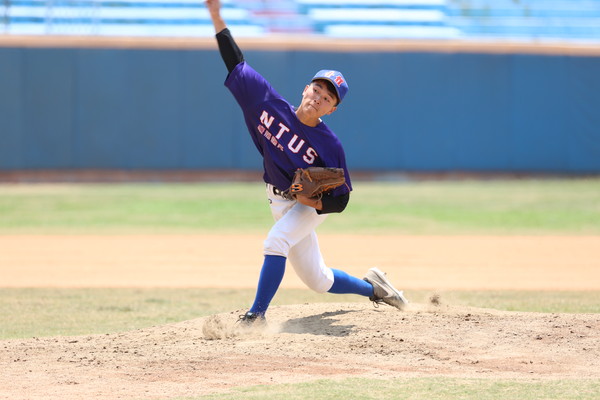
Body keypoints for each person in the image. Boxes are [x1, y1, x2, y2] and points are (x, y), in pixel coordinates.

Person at [205, 0, 409, 324]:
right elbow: (236, 64)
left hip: (305, 206)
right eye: (316, 90)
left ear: (332, 110)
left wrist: (311, 201)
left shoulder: (330, 146)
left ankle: (256, 316)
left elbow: (341, 200)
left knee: (276, 241)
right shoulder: (267, 104)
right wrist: (216, 16)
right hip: (277, 198)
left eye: (327, 98)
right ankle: (375, 289)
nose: (318, 98)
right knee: (318, 280)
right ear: (305, 89)